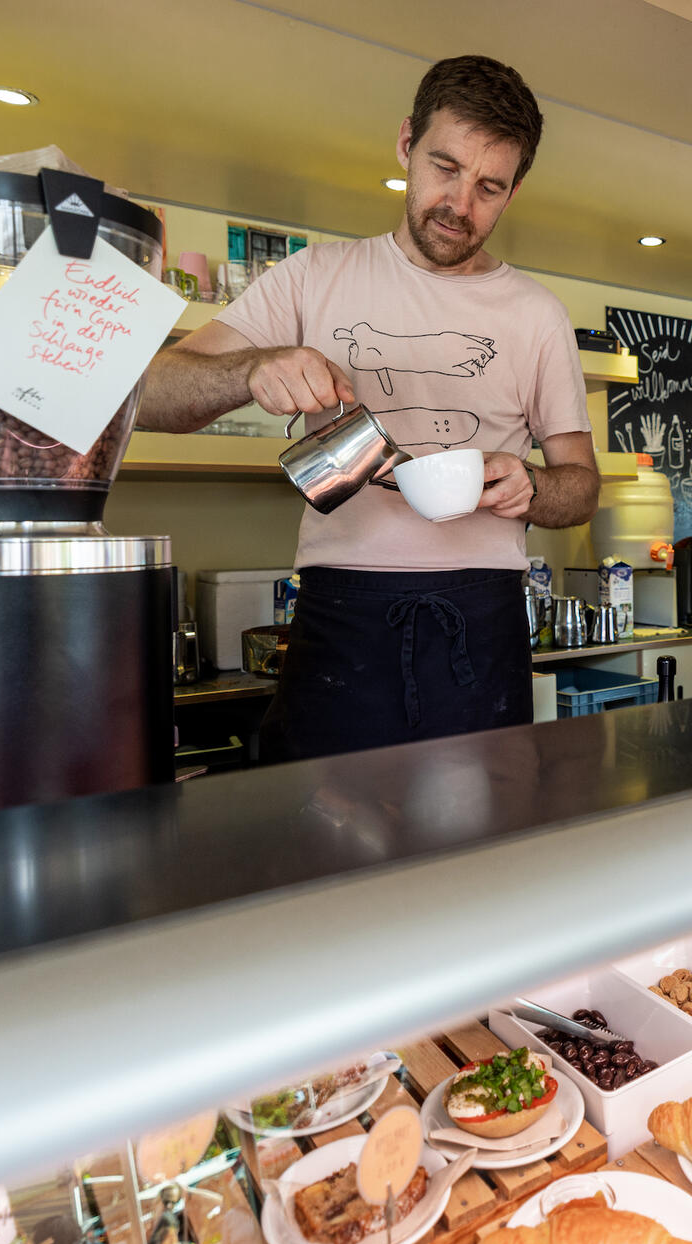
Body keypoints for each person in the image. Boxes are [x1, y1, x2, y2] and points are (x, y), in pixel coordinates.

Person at [137, 55, 599, 761]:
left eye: (489, 187)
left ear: (514, 191)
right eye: (444, 167)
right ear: (406, 144)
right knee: (324, 842)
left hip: (482, 618)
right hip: (337, 614)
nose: (460, 205)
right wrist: (252, 368)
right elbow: (150, 393)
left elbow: (581, 484)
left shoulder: (537, 315)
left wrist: (534, 487)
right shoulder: (313, 277)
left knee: (479, 850)